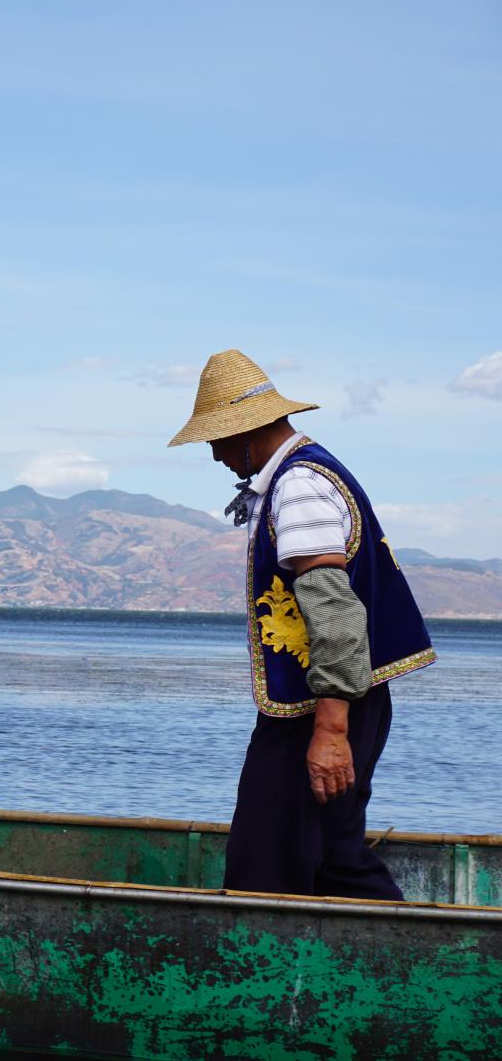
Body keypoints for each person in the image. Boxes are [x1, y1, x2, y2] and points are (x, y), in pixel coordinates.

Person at [169, 349, 435, 898]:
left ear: (248, 430)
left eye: (217, 440)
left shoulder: (299, 488)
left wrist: (331, 732)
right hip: (337, 699)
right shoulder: (309, 471)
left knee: (264, 860)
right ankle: (404, 961)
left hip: (322, 706)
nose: (215, 455)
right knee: (332, 858)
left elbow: (334, 612)